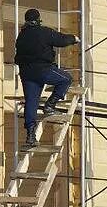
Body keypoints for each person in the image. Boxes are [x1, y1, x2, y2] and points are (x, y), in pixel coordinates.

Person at [14, 8, 79, 147]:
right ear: (38, 19)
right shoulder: (43, 32)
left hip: (26, 73)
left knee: (31, 102)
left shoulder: (21, 36)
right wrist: (73, 39)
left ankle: (31, 135)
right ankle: (50, 105)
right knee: (66, 79)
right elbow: (60, 40)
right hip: (43, 69)